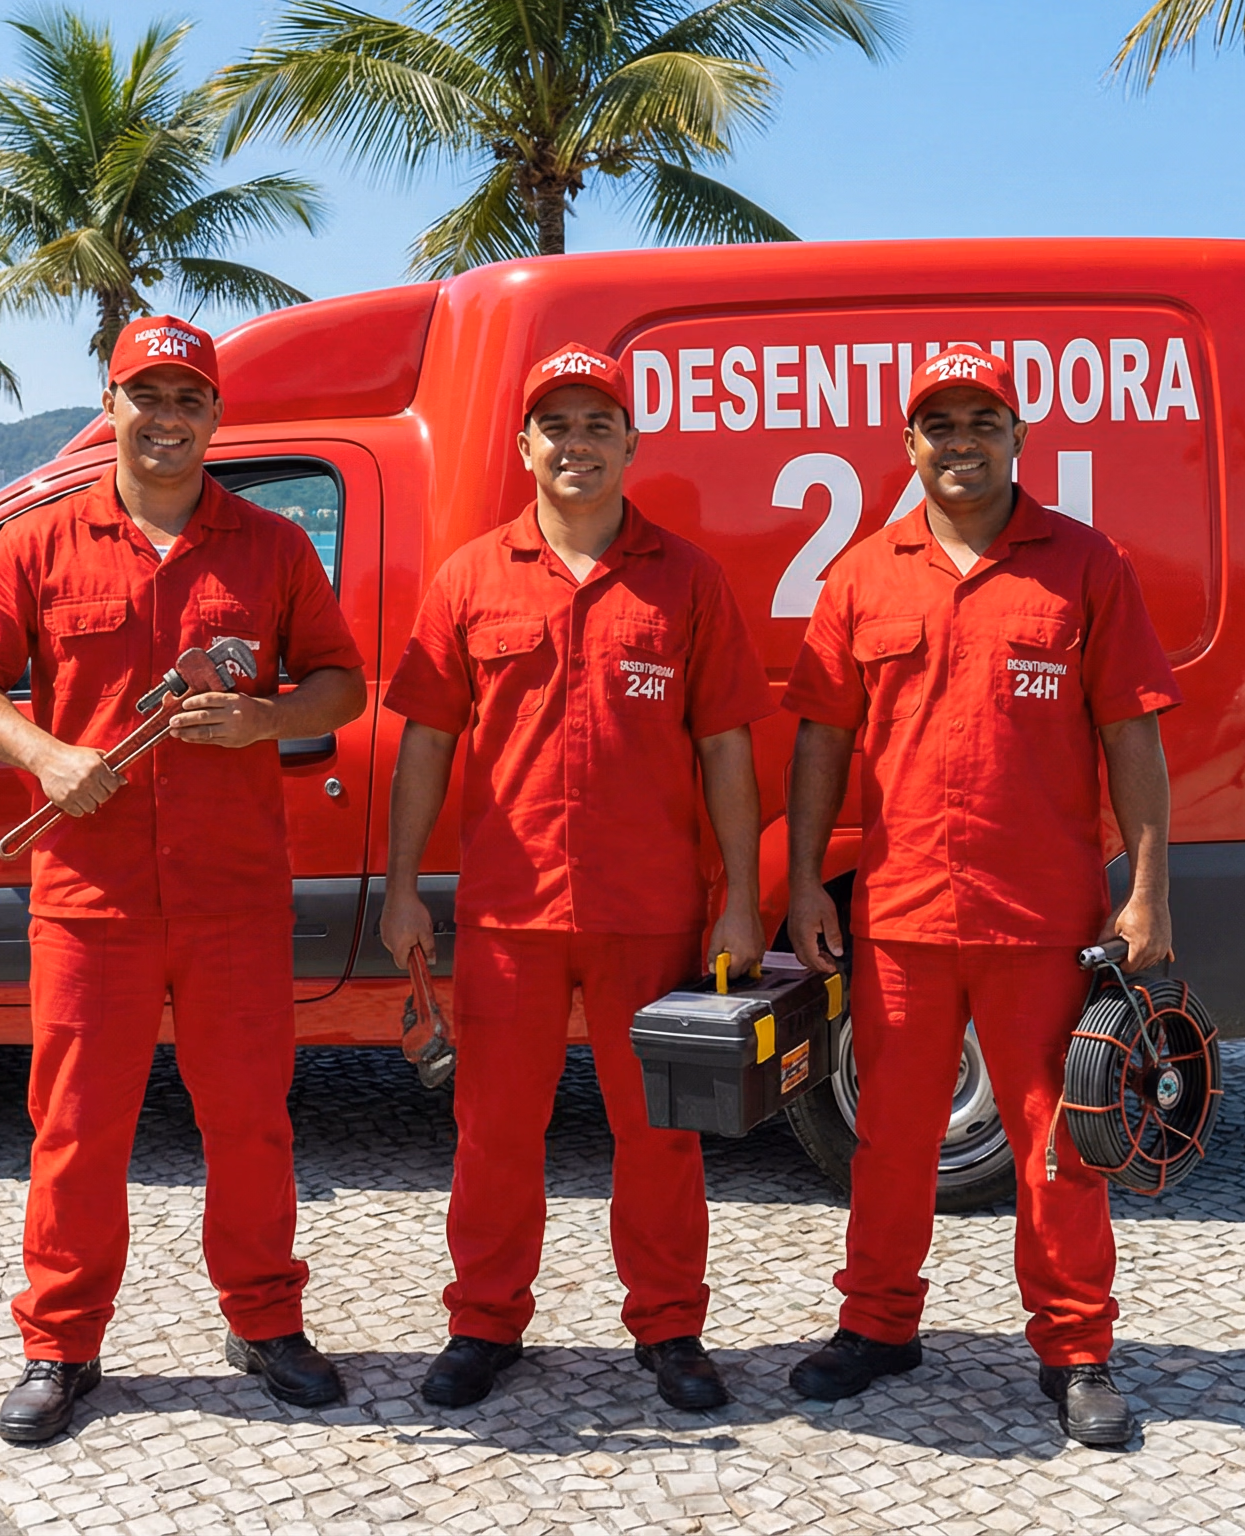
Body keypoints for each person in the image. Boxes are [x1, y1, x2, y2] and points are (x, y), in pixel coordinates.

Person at [0, 315, 368, 1446]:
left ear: (217, 415)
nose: (167, 418)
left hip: (232, 894)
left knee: (249, 1121)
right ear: (111, 402)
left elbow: (340, 685)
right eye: (146, 395)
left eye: (188, 398)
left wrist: (268, 717)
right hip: (91, 897)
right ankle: (60, 1345)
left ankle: (265, 1323)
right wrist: (44, 751)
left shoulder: (270, 547)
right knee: (75, 1125)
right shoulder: (40, 542)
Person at [779, 345, 1181, 1449]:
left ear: (1016, 435)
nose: (961, 441)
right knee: (891, 1140)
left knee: (1061, 1140)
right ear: (907, 446)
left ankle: (1075, 1349)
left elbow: (1132, 736)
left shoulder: (1084, 564)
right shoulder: (863, 574)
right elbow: (822, 739)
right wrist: (809, 878)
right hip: (901, 915)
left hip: (1044, 919)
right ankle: (876, 1326)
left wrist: (1145, 891)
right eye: (938, 424)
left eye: (981, 420)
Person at [380, 344, 772, 1412]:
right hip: (509, 912)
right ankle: (484, 1321)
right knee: (495, 1130)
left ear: (630, 443)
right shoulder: (469, 577)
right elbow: (425, 740)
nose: (576, 444)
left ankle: (670, 1327)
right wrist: (402, 883)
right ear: (524, 447)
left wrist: (739, 896)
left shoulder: (685, 579)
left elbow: (727, 745)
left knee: (659, 1133)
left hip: (648, 912)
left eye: (597, 423)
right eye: (556, 425)